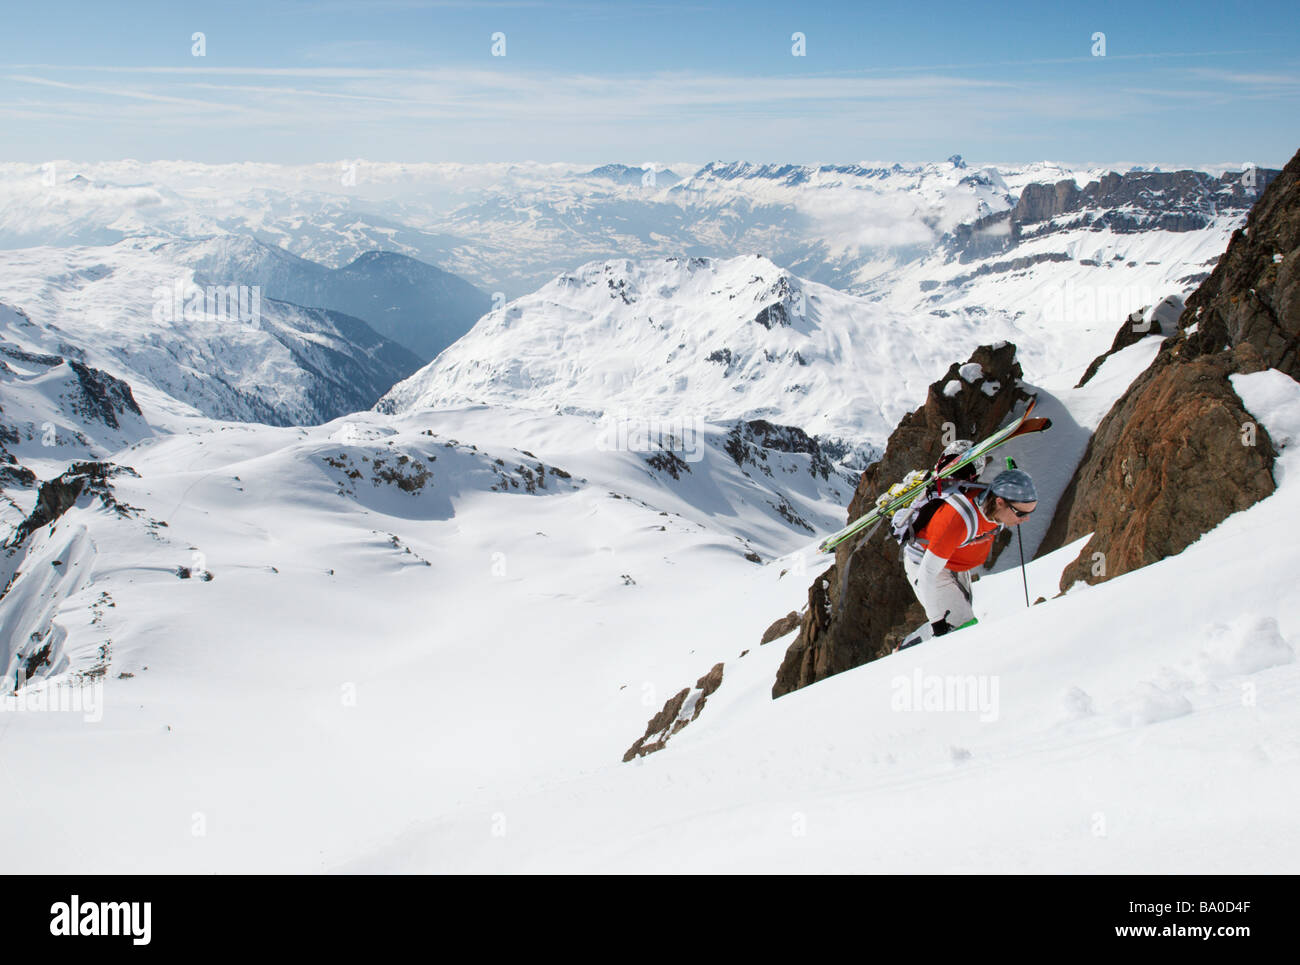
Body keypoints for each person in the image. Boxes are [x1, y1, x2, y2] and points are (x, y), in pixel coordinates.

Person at [896, 466, 1038, 649]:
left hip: (953, 563)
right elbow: (926, 576)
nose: (1026, 519)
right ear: (1000, 502)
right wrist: (937, 623)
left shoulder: (994, 507)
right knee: (962, 626)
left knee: (958, 620)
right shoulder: (957, 520)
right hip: (926, 564)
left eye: (1030, 512)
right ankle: (906, 650)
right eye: (1021, 513)